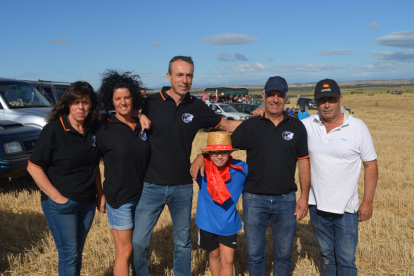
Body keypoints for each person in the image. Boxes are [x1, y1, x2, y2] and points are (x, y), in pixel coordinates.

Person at [133, 56, 241, 276]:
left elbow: (227, 126)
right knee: (138, 243)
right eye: (179, 75)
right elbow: (123, 108)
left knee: (182, 243)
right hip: (150, 185)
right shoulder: (150, 103)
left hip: (182, 187)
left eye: (189, 75)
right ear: (169, 76)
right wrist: (139, 113)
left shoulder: (197, 106)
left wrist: (263, 119)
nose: (184, 80)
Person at [191, 76, 310, 276]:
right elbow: (224, 147)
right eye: (271, 95)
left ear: (286, 98)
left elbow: (304, 161)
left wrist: (305, 197)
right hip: (254, 199)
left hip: (286, 199)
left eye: (280, 95)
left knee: (283, 254)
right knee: (255, 255)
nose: (275, 99)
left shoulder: (297, 126)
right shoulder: (252, 125)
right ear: (263, 96)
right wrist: (202, 156)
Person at [301, 79, 378, 275]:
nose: (327, 104)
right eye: (321, 100)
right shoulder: (307, 125)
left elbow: (370, 165)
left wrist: (368, 201)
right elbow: (280, 129)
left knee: (345, 261)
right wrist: (262, 113)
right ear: (316, 102)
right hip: (317, 207)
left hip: (346, 210)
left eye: (331, 99)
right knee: (327, 256)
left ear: (340, 99)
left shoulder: (357, 127)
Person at [27, 81, 103, 276]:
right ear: (68, 104)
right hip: (61, 205)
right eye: (75, 102)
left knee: (77, 253)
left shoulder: (92, 129)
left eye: (85, 102)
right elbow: (33, 167)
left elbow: (94, 166)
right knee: (68, 254)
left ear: (91, 105)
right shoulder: (54, 130)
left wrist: (100, 194)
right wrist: (58, 198)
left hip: (86, 203)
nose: (80, 107)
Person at [96, 70, 150, 276]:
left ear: (133, 97)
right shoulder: (105, 128)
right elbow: (94, 165)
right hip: (119, 198)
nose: (123, 102)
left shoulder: (144, 125)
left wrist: (141, 114)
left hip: (144, 197)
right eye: (117, 99)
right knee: (125, 250)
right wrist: (100, 194)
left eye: (127, 97)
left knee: (139, 248)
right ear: (111, 101)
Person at [196, 131, 248, 276]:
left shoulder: (241, 169)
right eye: (215, 152)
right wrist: (200, 158)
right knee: (213, 255)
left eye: (224, 152)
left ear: (230, 152)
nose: (219, 156)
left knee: (228, 260)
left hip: (228, 224)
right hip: (207, 223)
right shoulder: (202, 169)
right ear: (208, 153)